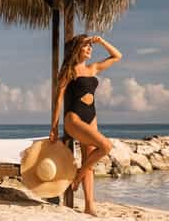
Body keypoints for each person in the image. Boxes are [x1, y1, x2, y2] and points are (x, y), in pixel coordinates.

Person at [49, 34, 122, 216]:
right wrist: (54, 127)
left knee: (88, 159)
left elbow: (117, 56)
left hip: (92, 116)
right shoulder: (68, 71)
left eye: (91, 47)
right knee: (106, 146)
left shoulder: (93, 68)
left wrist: (101, 41)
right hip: (74, 118)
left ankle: (90, 206)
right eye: (86, 46)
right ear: (76, 50)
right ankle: (78, 176)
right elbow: (58, 100)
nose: (90, 49)